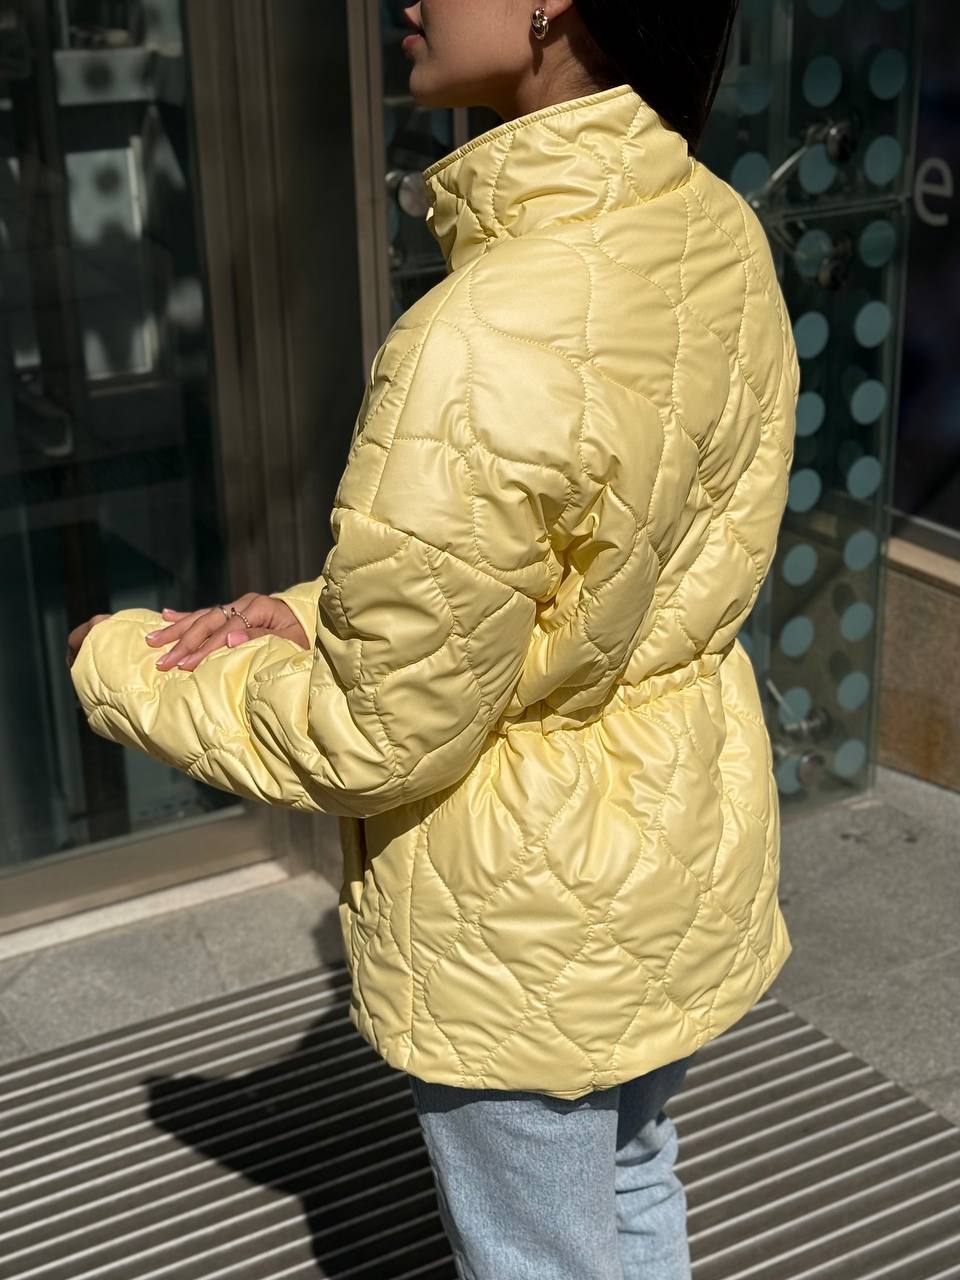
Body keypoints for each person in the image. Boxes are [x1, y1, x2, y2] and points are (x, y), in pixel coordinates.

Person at [67, 0, 798, 1274]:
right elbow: (601, 566)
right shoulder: (710, 231)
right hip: (671, 848)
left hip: (516, 910)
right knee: (630, 1185)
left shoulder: (480, 335)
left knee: (538, 1253)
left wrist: (117, 660)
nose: (407, 1)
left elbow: (377, 734)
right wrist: (298, 612)